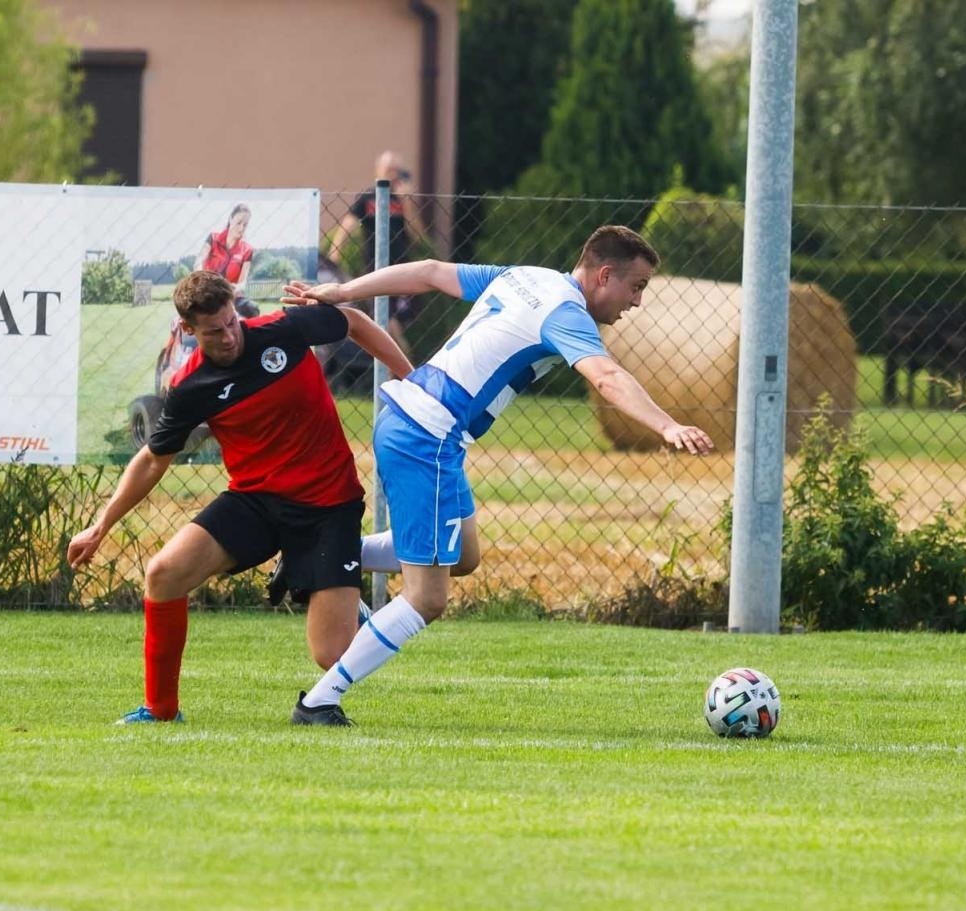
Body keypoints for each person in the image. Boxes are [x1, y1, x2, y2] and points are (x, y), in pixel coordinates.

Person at [281, 225, 714, 724]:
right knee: (427, 598)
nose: (636, 302)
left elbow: (428, 273)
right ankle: (318, 702)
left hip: (416, 421)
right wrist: (666, 424)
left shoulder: (525, 277)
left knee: (463, 555)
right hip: (430, 435)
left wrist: (345, 289)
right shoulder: (565, 313)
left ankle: (325, 555)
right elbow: (607, 376)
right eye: (636, 287)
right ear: (604, 274)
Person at [68, 270, 412, 725]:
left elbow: (352, 321)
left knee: (333, 655)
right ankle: (160, 711)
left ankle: (341, 595)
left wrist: (412, 379)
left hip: (328, 504)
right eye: (214, 330)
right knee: (164, 573)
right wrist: (102, 524)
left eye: (231, 322)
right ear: (188, 331)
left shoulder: (284, 331)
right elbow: (153, 459)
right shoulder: (192, 388)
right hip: (256, 502)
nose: (229, 335)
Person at [328, 151, 427, 353]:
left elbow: (418, 234)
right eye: (388, 169)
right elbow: (348, 224)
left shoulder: (403, 199)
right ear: (378, 170)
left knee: (395, 317)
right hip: (375, 264)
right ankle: (403, 355)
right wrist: (335, 253)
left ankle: (395, 366)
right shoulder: (368, 197)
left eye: (395, 169)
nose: (392, 173)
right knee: (383, 315)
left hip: (403, 264)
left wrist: (407, 203)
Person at [200, 203, 254, 290]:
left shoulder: (248, 250)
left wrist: (236, 288)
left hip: (230, 295)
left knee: (250, 304)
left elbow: (242, 283)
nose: (241, 228)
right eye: (239, 223)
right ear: (231, 219)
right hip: (208, 290)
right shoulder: (213, 238)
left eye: (245, 225)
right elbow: (199, 262)